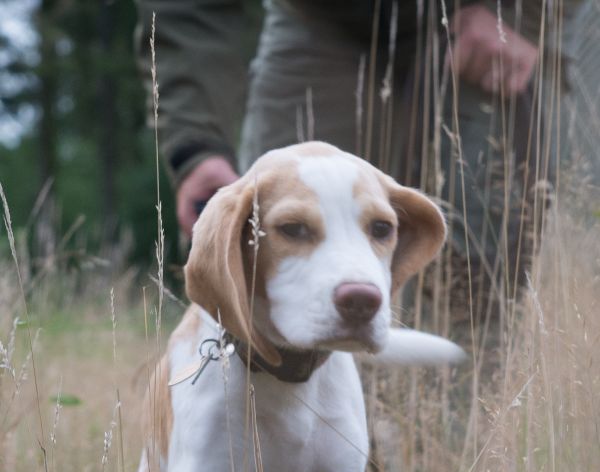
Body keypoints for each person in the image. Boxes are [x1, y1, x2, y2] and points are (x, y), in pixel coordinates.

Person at [137, 1, 584, 338]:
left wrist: (521, 12)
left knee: (477, 265)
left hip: (485, 16)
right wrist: (197, 147)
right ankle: (281, 452)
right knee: (265, 252)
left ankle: (443, 449)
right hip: (319, 15)